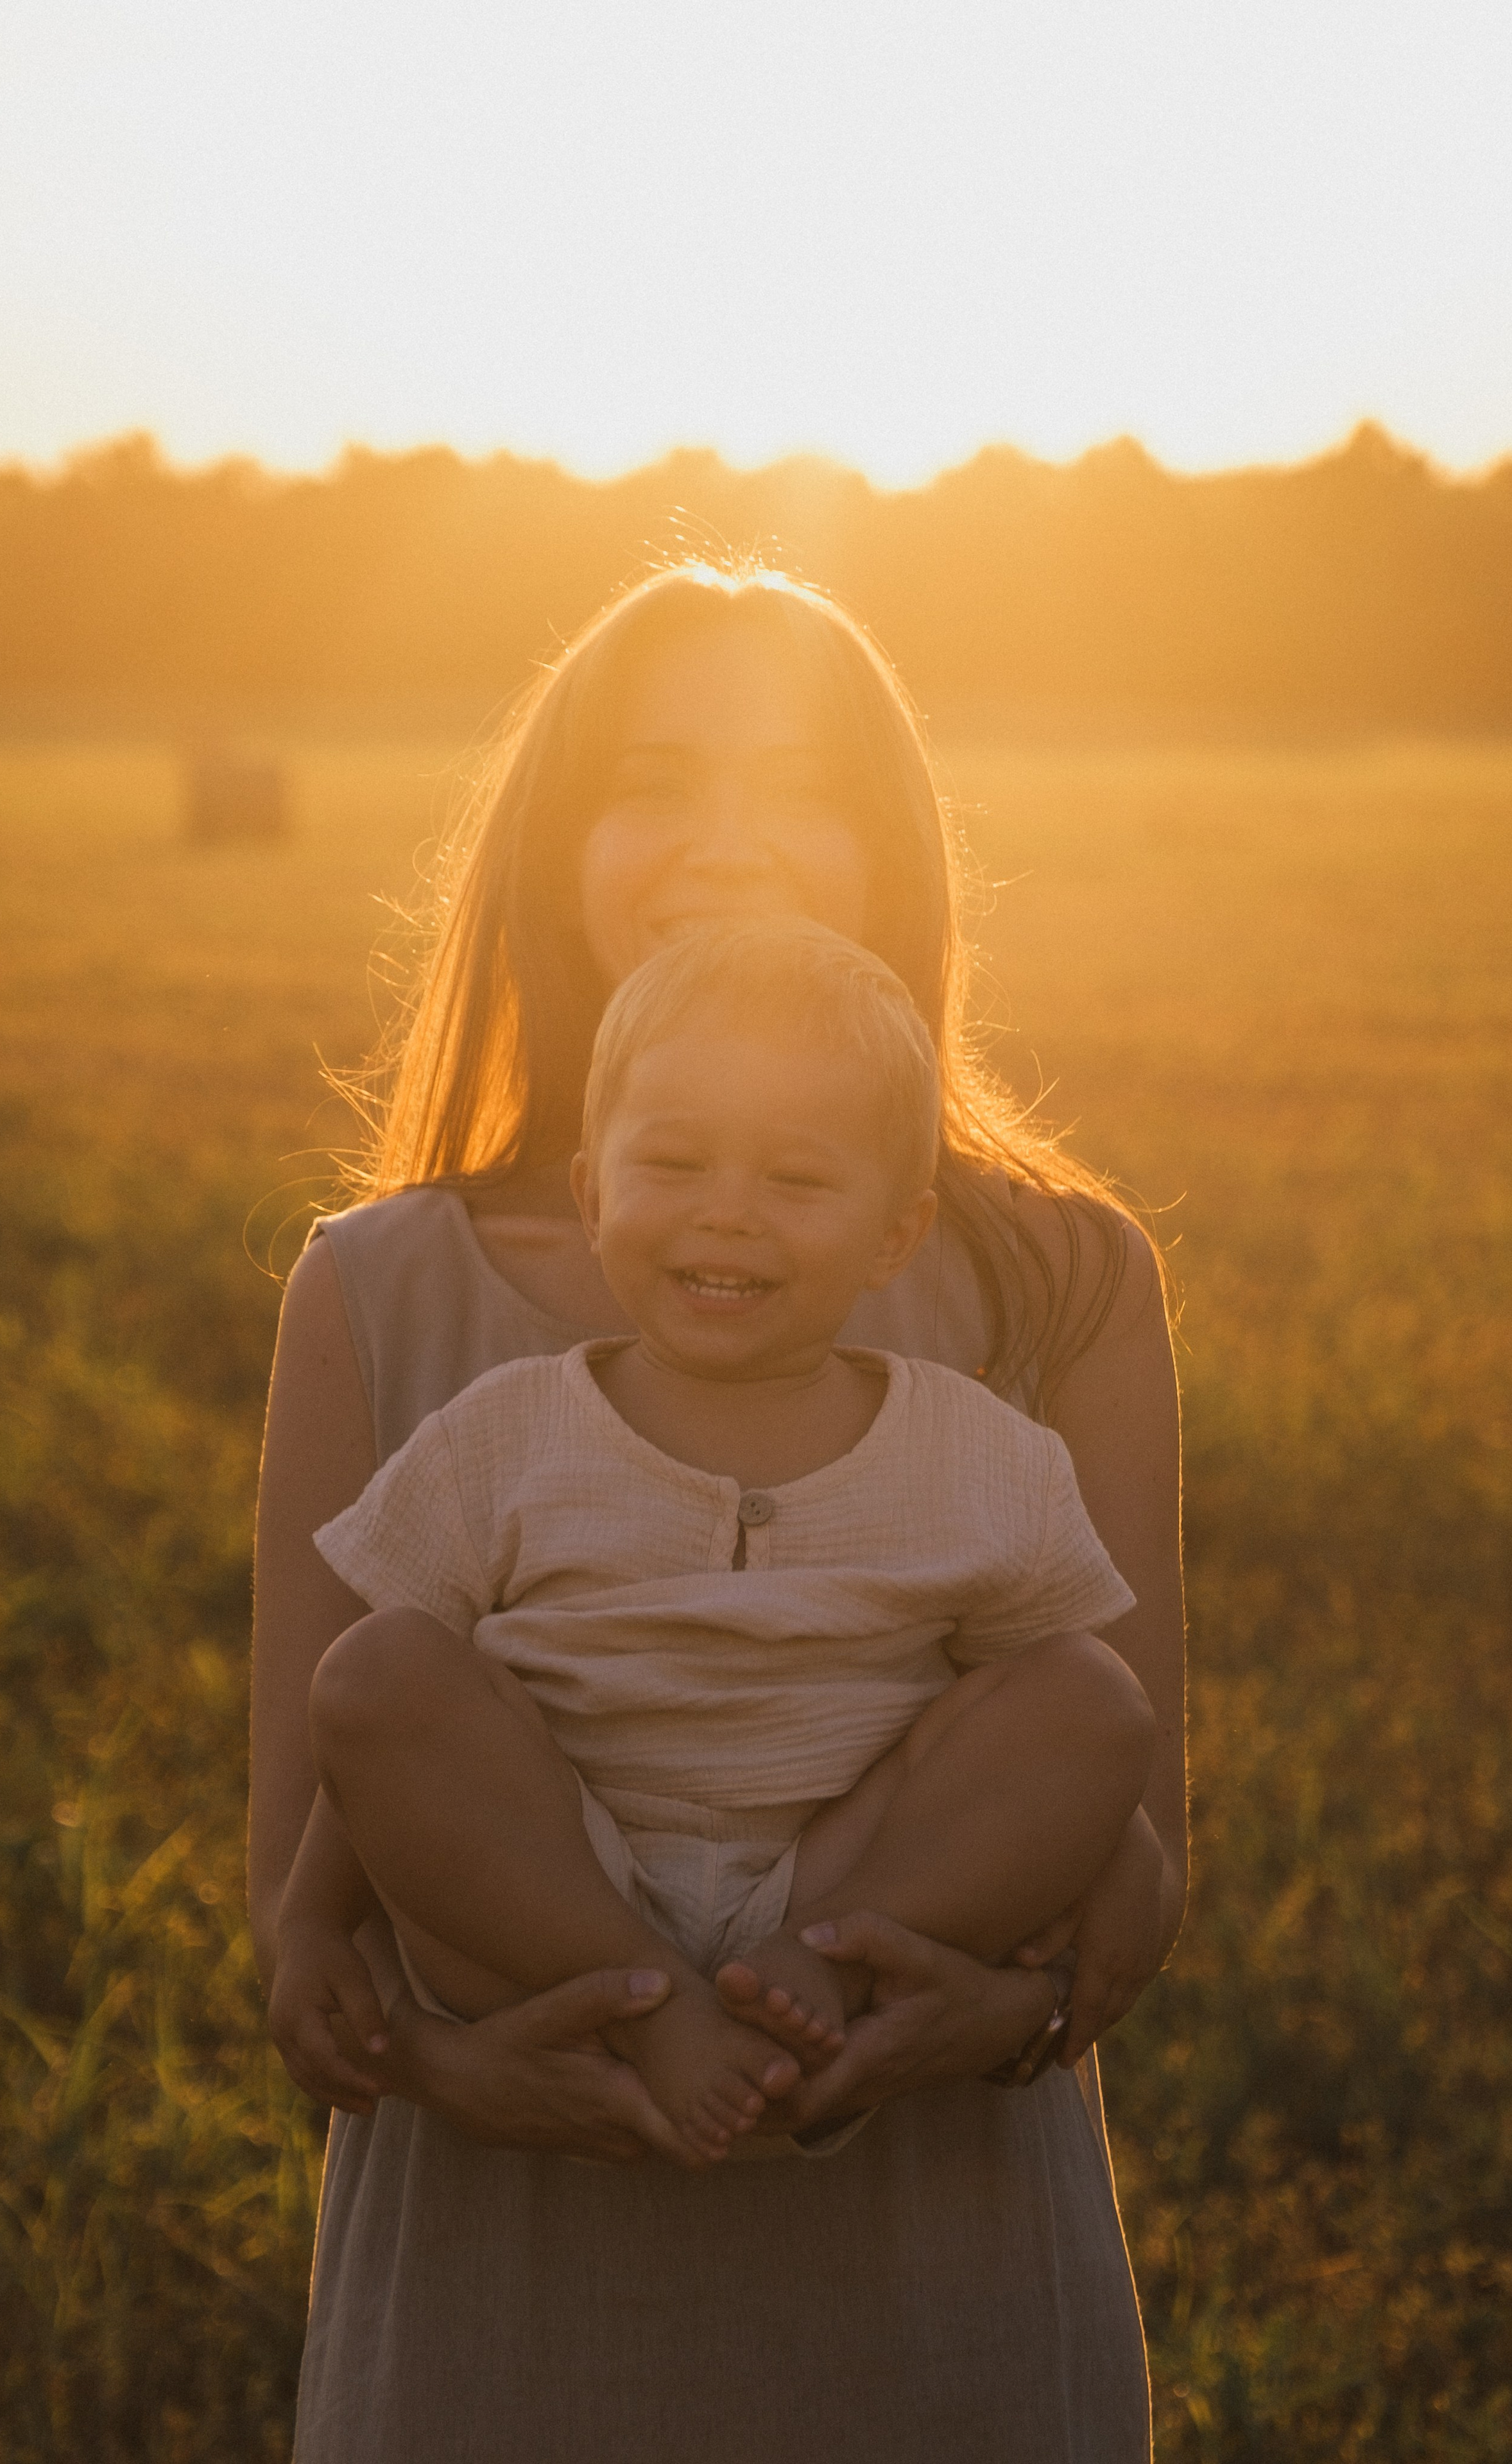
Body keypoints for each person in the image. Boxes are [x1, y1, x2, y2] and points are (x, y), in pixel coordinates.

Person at [250, 561, 1187, 2461]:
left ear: (893, 846)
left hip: (937, 2281)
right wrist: (460, 2066)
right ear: (558, 844)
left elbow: (1134, 1849)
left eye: (804, 789)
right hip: (511, 2285)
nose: (730, 845)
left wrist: (967, 2018)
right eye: (658, 781)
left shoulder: (1060, 1277)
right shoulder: (377, 1287)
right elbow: (303, 1912)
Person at [295, 922, 1153, 2166]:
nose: (728, 1215)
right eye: (676, 1164)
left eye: (796, 1182)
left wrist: (1114, 1870)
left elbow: (1051, 1724)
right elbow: (376, 1736)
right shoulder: (502, 1436)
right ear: (593, 1195)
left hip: (850, 1876)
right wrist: (318, 1918)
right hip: (545, 1895)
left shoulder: (976, 1459)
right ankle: (646, 1997)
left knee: (1093, 1694)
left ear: (894, 1236)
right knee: (372, 1668)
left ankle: (812, 1961)